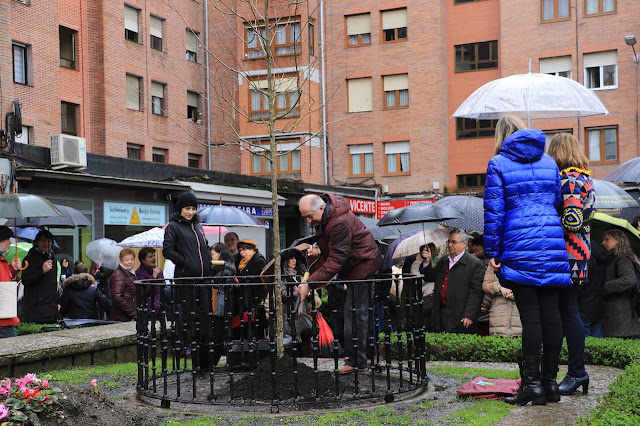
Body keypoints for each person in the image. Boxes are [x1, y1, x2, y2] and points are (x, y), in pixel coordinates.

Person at [484, 115, 572, 406]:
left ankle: (532, 385)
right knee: (552, 315)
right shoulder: (548, 162)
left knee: (531, 317)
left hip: (520, 245)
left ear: (501, 136)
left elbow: (495, 212)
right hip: (552, 242)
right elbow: (558, 201)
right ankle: (550, 385)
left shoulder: (498, 163)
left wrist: (492, 252)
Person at [297, 193, 383, 374]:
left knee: (356, 315)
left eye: (309, 216)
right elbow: (336, 247)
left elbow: (337, 259)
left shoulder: (338, 222)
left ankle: (357, 361)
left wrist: (309, 283)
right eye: (304, 217)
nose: (307, 221)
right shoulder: (328, 218)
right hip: (355, 266)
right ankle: (357, 356)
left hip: (363, 266)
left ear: (321, 208)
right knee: (353, 314)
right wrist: (320, 247)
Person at [548, 132, 596, 396]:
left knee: (567, 314)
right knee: (569, 312)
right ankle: (576, 372)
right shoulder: (585, 176)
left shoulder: (569, 179)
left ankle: (577, 372)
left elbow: (573, 220)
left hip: (568, 256)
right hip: (580, 255)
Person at [163, 192, 213, 370]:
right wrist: (186, 263)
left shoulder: (198, 226)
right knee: (189, 315)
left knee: (205, 316)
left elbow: (204, 247)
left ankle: (204, 356)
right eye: (187, 208)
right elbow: (168, 251)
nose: (190, 212)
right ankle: (187, 349)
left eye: (193, 208)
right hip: (186, 278)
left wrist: (208, 261)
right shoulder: (173, 227)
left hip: (203, 279)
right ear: (180, 209)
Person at [423, 229, 484, 334]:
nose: (450, 245)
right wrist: (427, 261)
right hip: (441, 313)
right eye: (449, 242)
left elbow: (476, 291)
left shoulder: (474, 263)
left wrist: (469, 315)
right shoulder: (443, 261)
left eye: (454, 242)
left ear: (464, 244)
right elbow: (430, 276)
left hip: (460, 315)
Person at [601, 229, 640, 339]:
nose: (603, 243)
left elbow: (629, 280)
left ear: (617, 241)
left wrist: (606, 287)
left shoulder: (622, 260)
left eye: (607, 239)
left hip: (620, 318)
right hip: (618, 317)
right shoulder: (614, 259)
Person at [21, 230, 59, 323]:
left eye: (49, 241)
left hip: (51, 309)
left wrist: (57, 301)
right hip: (35, 310)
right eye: (43, 240)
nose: (46, 243)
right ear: (36, 242)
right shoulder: (29, 258)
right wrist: (42, 271)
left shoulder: (52, 258)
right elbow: (25, 280)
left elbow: (53, 283)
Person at [210, 242, 237, 367]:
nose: (211, 257)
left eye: (213, 254)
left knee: (220, 336)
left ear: (220, 254)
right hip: (219, 306)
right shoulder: (220, 269)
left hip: (221, 307)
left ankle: (215, 361)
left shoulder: (226, 270)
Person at [482, 265, 522, 337]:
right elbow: (486, 286)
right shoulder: (494, 262)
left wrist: (518, 293)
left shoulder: (527, 260)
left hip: (520, 314)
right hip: (499, 314)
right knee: (497, 343)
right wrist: (500, 287)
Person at [579, 241, 608, 338]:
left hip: (582, 304)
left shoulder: (582, 252)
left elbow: (580, 283)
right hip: (598, 305)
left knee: (582, 345)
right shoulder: (601, 253)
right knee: (598, 347)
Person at [401, 244, 433, 331]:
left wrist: (427, 262)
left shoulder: (434, 261)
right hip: (412, 296)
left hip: (428, 298)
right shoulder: (412, 260)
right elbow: (411, 278)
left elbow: (431, 276)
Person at [0, 226, 22, 338]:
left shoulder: (3, 261)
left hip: (5, 318)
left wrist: (13, 270)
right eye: (7, 238)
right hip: (3, 320)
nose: (10, 242)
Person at [109, 248, 137, 322]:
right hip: (121, 317)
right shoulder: (118, 275)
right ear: (121, 261)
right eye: (127, 260)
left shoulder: (131, 273)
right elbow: (117, 297)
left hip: (128, 315)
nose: (130, 262)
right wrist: (133, 313)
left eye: (132, 259)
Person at [135, 247, 164, 318]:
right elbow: (144, 291)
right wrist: (153, 276)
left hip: (160, 306)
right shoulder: (140, 273)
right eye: (150, 257)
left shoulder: (157, 270)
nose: (154, 258)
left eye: (154, 256)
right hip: (149, 309)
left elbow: (163, 285)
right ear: (143, 260)